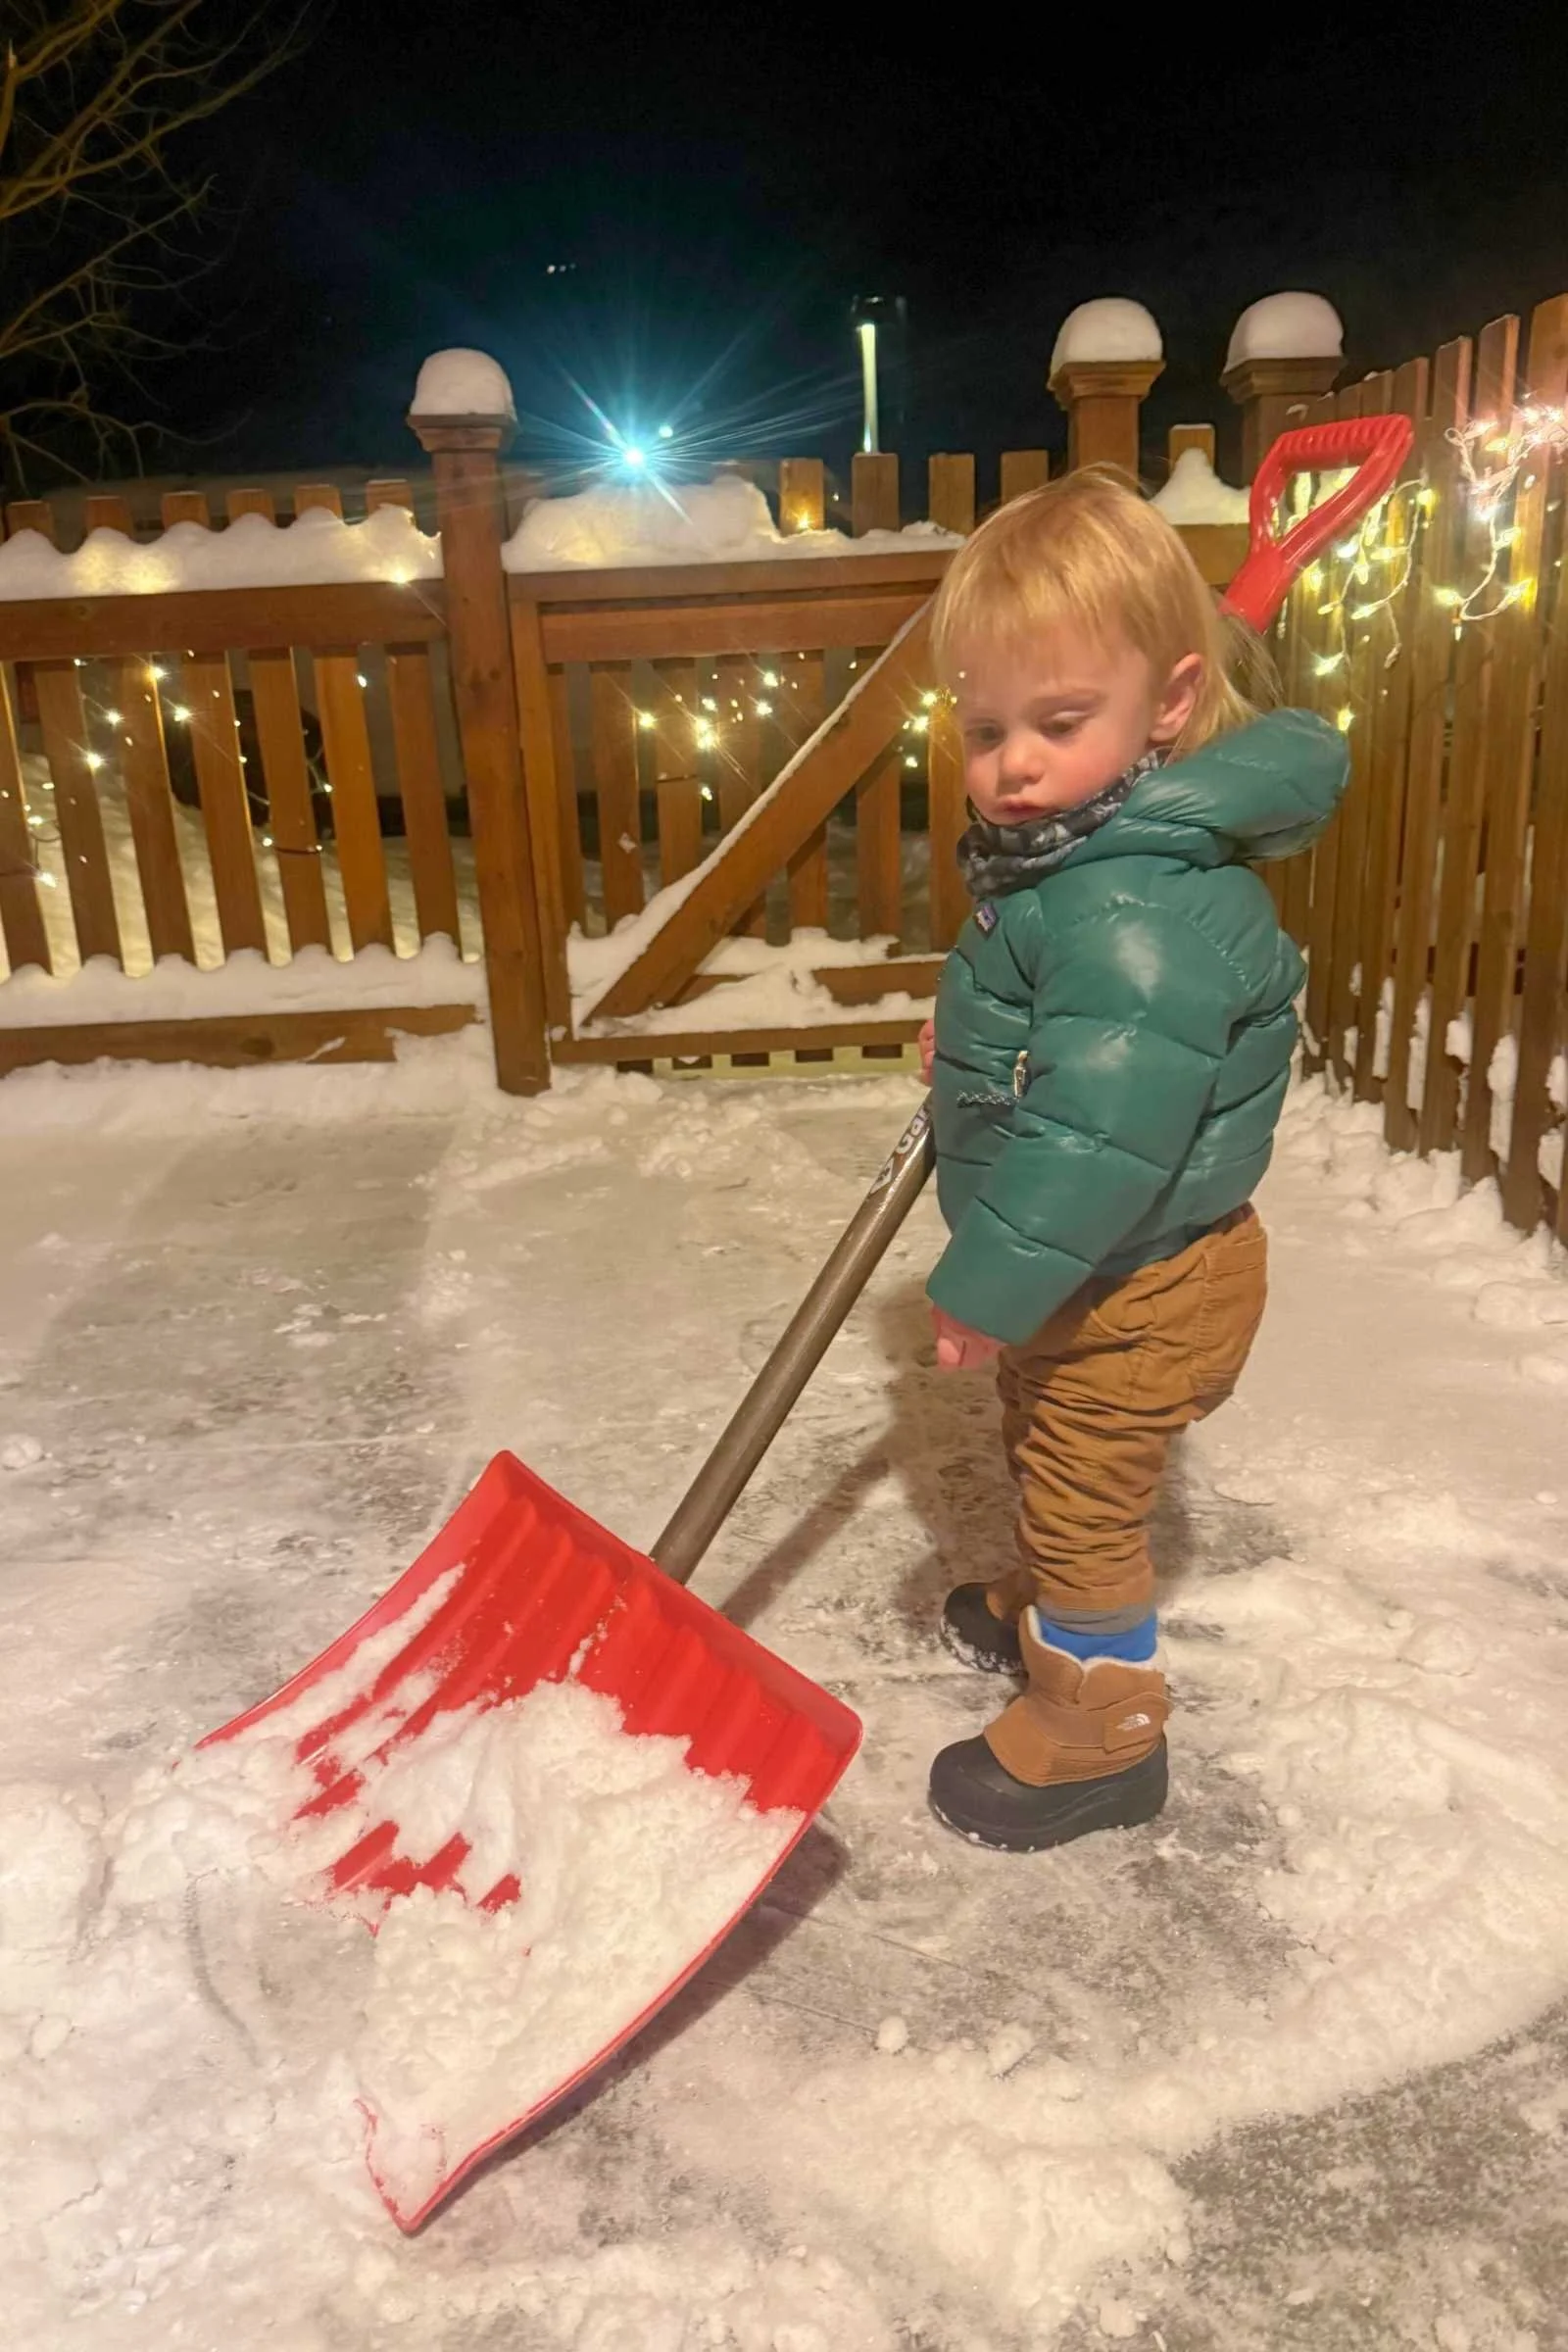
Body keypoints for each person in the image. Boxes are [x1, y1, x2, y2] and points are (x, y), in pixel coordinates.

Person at [917, 466, 1348, 1854]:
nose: (1013, 764)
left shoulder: (1134, 904)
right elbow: (1065, 1037)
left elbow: (1106, 1132)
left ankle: (1103, 1736)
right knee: (1041, 1447)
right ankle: (1054, 1613)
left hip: (1141, 1275)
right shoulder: (1083, 851)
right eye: (985, 728)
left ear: (1168, 708)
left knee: (1086, 1489)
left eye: (1056, 722)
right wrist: (977, 1049)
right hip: (1094, 1265)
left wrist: (983, 1285)